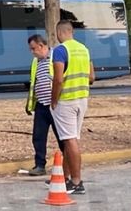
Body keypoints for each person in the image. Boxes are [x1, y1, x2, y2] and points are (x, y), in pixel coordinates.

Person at [51, 19, 95, 195]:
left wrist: (54, 99)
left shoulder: (60, 50)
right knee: (73, 139)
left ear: (60, 33)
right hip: (82, 99)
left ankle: (76, 182)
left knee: (69, 140)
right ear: (72, 32)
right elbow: (92, 77)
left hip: (66, 100)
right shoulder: (84, 49)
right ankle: (67, 178)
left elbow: (58, 79)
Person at [25, 34, 63, 176]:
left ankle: (67, 162)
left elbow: (59, 79)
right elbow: (33, 84)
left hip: (55, 104)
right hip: (41, 105)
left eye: (33, 48)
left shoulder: (56, 57)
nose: (32, 52)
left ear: (41, 46)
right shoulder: (36, 62)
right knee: (38, 136)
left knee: (61, 136)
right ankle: (40, 165)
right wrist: (30, 104)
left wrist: (56, 100)